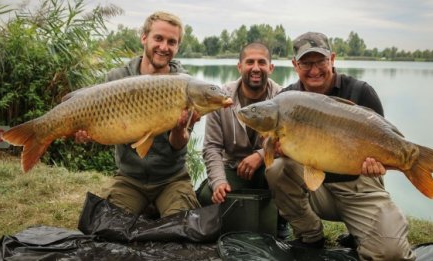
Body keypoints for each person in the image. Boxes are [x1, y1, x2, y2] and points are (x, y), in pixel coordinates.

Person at [265, 32, 415, 260]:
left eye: (320, 61)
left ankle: (362, 233)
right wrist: (271, 149)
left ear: (332, 59)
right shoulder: (287, 99)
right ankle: (311, 236)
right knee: (276, 169)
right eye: (306, 63)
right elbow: (273, 147)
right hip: (315, 188)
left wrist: (381, 165)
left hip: (359, 189)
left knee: (391, 254)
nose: (314, 70)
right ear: (295, 65)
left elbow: (383, 139)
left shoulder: (360, 92)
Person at [74, 11, 200, 218]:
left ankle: (155, 209)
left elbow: (178, 144)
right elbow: (102, 130)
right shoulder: (116, 78)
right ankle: (145, 208)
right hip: (129, 178)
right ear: (144, 38)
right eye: (158, 38)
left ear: (177, 46)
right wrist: (85, 135)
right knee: (106, 226)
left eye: (172, 42)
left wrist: (179, 129)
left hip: (172, 179)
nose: (164, 47)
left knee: (182, 228)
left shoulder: (186, 85)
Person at [198, 42, 289, 238]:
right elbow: (212, 147)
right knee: (207, 194)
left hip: (269, 166)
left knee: (281, 170)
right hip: (234, 168)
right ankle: (241, 215)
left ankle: (280, 221)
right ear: (239, 67)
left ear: (271, 68)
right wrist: (219, 182)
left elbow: (288, 142)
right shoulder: (220, 97)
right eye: (250, 62)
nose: (256, 68)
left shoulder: (284, 97)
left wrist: (260, 155)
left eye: (262, 62)